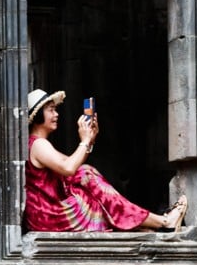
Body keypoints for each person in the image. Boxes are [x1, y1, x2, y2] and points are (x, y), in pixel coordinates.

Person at [23, 88, 187, 233]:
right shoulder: (38, 144)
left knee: (87, 176)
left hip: (45, 215)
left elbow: (73, 164)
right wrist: (85, 141)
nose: (56, 114)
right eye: (51, 110)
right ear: (37, 116)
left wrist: (90, 139)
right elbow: (69, 168)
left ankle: (146, 223)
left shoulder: (37, 144)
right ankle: (163, 222)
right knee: (95, 190)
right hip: (49, 216)